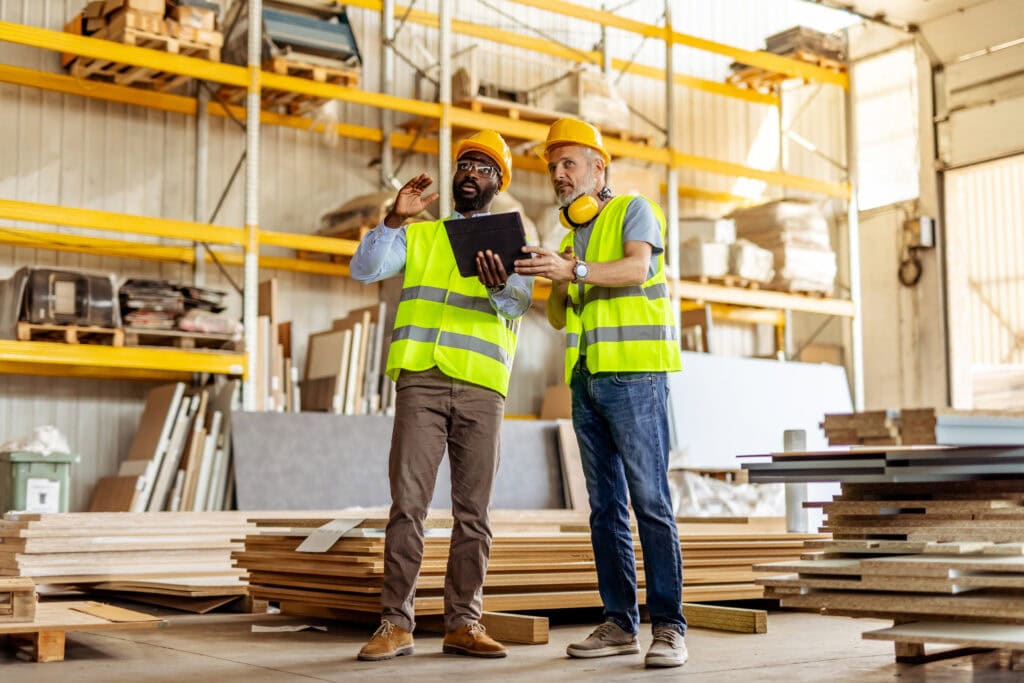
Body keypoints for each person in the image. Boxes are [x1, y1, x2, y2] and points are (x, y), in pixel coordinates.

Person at [350, 130, 532, 661]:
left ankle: (464, 623)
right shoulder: (421, 235)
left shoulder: (512, 241)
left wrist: (500, 284)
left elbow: (520, 306)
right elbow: (365, 269)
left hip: (481, 387)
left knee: (473, 512)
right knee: (408, 505)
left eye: (483, 168)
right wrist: (393, 219)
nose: (470, 173)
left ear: (498, 183)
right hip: (421, 380)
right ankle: (395, 623)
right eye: (465, 166)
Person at [514, 118, 687, 668]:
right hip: (586, 382)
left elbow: (638, 268)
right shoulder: (570, 236)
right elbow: (562, 319)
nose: (559, 175)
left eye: (569, 164)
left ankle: (669, 627)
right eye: (553, 167)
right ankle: (618, 622)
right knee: (604, 508)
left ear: (597, 167)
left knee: (650, 503)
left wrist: (576, 267)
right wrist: (556, 275)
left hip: (636, 375)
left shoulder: (634, 210)